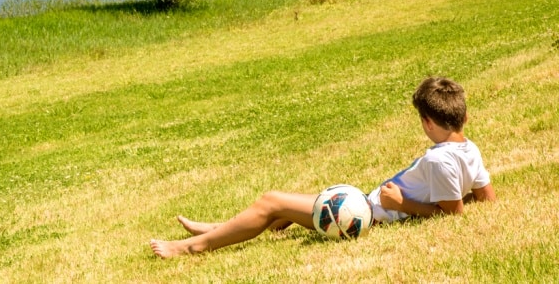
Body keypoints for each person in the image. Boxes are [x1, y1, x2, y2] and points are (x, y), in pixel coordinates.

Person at [150, 76, 495, 258]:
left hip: (366, 216)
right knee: (281, 213)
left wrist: (402, 205)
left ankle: (191, 248)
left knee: (271, 202)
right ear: (464, 116)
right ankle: (218, 228)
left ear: (427, 122)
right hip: (367, 204)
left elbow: (453, 213)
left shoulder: (439, 159)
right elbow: (486, 198)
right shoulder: (469, 149)